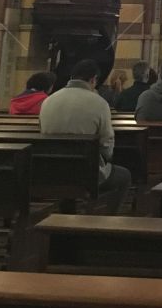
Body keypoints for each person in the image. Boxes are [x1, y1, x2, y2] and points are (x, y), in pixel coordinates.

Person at [40, 59, 131, 213]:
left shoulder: (49, 100)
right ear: (93, 79)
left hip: (52, 168)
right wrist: (106, 158)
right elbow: (106, 143)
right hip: (85, 171)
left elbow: (42, 131)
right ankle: (104, 219)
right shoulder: (99, 103)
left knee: (67, 177)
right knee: (124, 176)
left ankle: (67, 213)